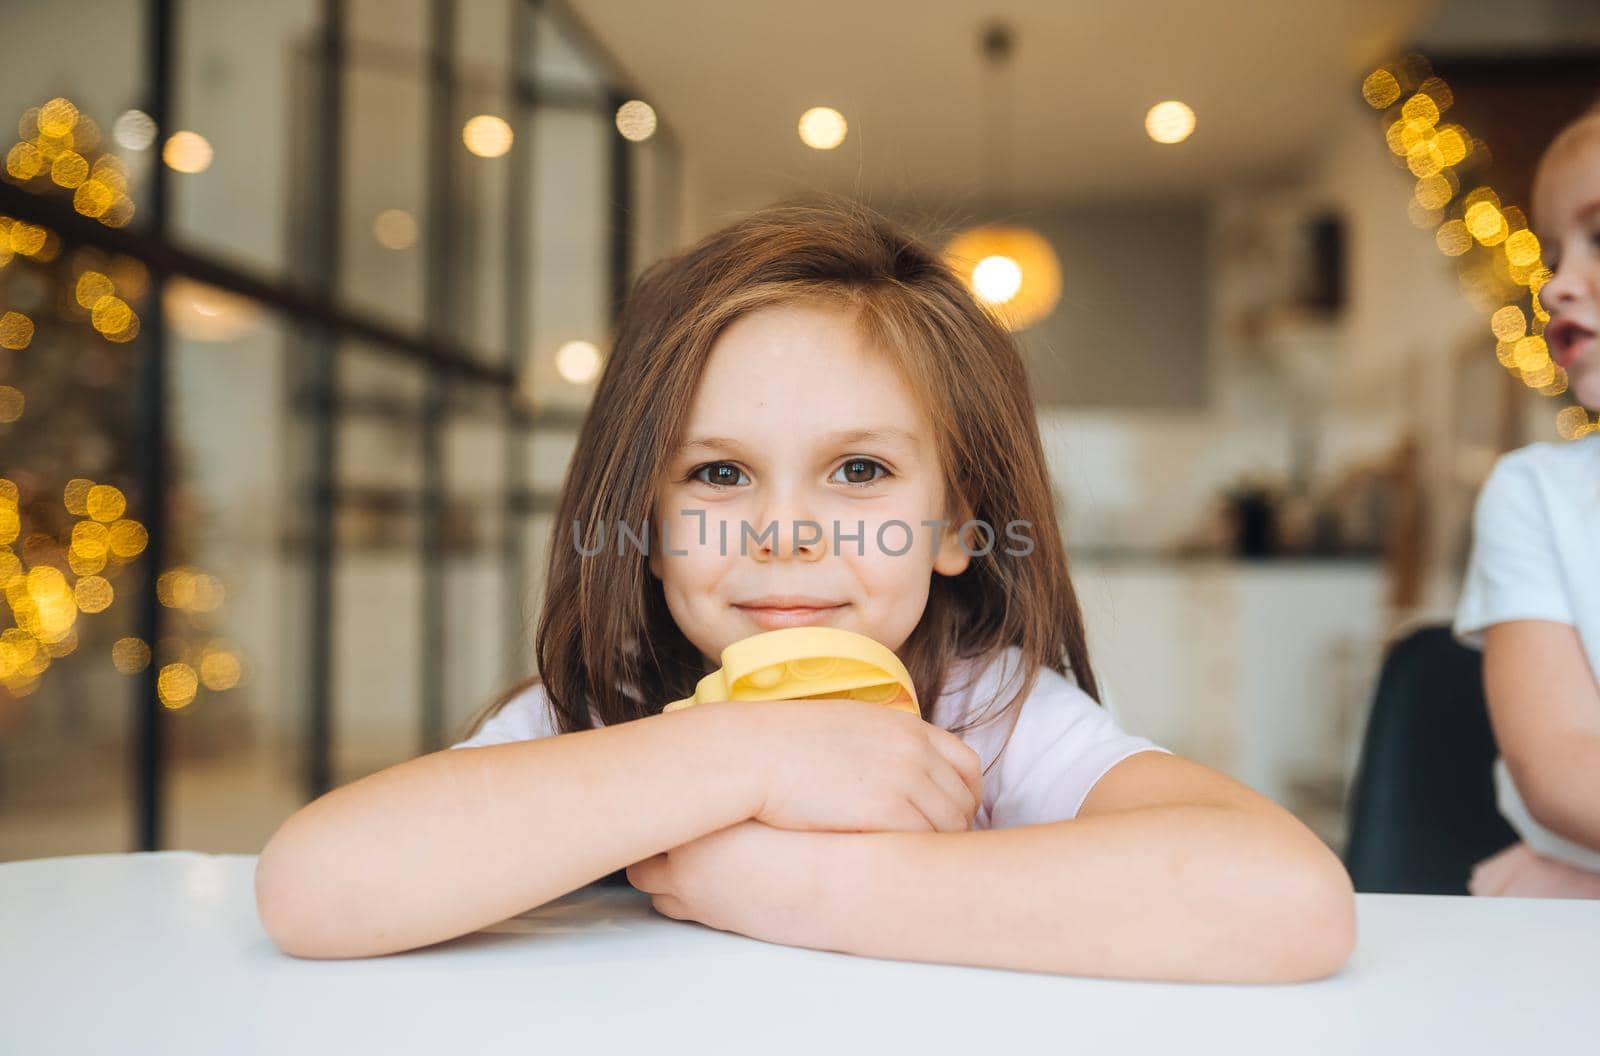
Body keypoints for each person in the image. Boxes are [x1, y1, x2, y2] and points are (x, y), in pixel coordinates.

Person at [255, 201, 1355, 981]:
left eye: (860, 471)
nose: (786, 535)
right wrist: (754, 752)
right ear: (641, 519)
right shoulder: (603, 703)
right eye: (719, 472)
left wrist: (798, 891)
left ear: (958, 523)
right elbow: (312, 890)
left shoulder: (984, 711)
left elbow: (1291, 902)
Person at [1457, 106, 1600, 899]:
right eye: (1551, 254)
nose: (1553, 283)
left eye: (1599, 240)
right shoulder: (1534, 493)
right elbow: (1562, 767)